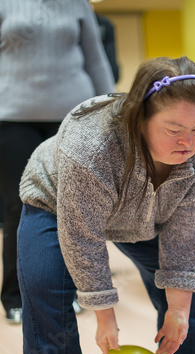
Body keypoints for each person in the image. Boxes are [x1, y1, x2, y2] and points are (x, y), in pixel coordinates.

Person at [17, 55, 195, 354]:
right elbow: (83, 238)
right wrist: (105, 318)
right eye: (174, 128)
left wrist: (177, 311)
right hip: (55, 202)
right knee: (45, 286)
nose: (188, 141)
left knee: (191, 278)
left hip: (141, 217)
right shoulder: (91, 144)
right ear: (140, 116)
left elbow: (188, 243)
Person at [0, 0, 115, 324]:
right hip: (12, 118)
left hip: (72, 118)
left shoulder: (77, 4)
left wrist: (112, 111)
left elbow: (96, 61)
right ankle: (15, 295)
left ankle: (67, 294)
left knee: (73, 208)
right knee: (18, 209)